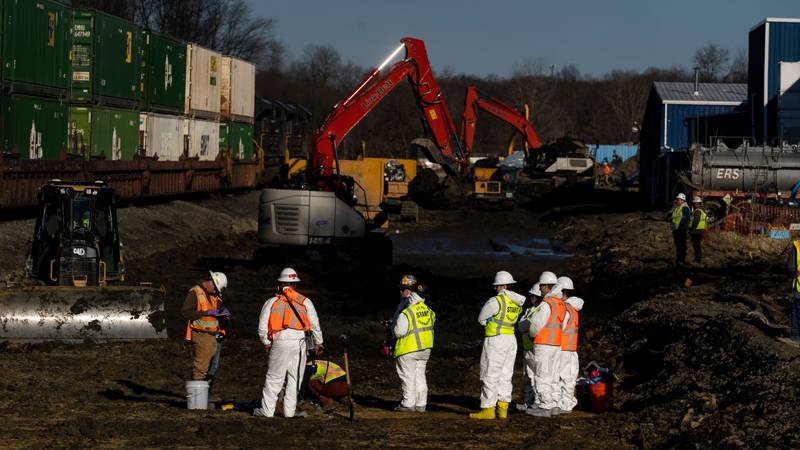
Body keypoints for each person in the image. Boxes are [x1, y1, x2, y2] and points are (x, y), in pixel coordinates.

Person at [254, 268, 324, 418]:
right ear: (295, 285)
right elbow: (314, 324)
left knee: (274, 378)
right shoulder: (306, 301)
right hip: (300, 342)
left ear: (280, 284)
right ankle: (289, 412)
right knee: (295, 378)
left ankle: (267, 411)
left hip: (280, 340)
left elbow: (262, 326)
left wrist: (266, 342)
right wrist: (319, 342)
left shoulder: (272, 302)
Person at [470, 271, 525, 420]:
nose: (495, 289)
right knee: (506, 375)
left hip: (495, 340)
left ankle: (488, 409)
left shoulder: (495, 301)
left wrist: (488, 323)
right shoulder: (516, 302)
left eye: (497, 286)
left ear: (503, 286)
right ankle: (503, 408)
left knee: (490, 374)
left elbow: (481, 318)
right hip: (511, 339)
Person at [521, 271, 566, 417]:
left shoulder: (547, 304)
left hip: (544, 344)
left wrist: (531, 335)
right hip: (556, 344)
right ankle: (552, 405)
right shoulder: (560, 304)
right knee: (552, 375)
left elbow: (535, 325)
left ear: (547, 286)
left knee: (542, 375)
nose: (539, 289)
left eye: (541, 286)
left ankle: (545, 406)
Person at [392, 276, 435, 412]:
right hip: (425, 348)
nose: (401, 292)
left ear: (411, 292)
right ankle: (421, 404)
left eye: (403, 289)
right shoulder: (429, 311)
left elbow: (398, 332)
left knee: (408, 377)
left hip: (408, 349)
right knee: (420, 376)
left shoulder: (407, 312)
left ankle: (408, 404)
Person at [181, 272, 231, 385]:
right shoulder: (196, 293)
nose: (216, 292)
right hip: (201, 334)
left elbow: (222, 311)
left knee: (208, 367)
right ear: (212, 283)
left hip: (213, 335)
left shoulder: (214, 295)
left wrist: (224, 320)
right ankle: (197, 397)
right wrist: (206, 313)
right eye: (216, 289)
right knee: (201, 368)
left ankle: (202, 394)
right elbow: (185, 312)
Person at [516, 282, 542, 412]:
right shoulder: (528, 310)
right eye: (531, 295)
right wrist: (525, 325)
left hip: (536, 347)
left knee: (537, 376)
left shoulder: (541, 310)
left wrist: (525, 325)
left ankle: (537, 402)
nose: (531, 298)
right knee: (527, 376)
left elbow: (526, 326)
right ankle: (528, 402)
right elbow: (521, 326)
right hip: (527, 348)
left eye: (534, 295)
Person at [556, 296, 584, 414]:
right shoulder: (574, 310)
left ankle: (564, 405)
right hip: (572, 349)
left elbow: (559, 329)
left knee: (563, 378)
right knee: (571, 379)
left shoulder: (566, 309)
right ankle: (568, 403)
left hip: (563, 349)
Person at [670, 193, 691, 266]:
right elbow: (674, 218)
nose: (677, 201)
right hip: (676, 230)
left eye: (678, 199)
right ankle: (679, 260)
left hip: (681, 230)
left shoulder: (684, 207)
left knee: (681, 246)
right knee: (678, 246)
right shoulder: (677, 208)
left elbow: (687, 218)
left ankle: (681, 260)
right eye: (677, 199)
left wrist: (680, 227)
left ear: (682, 200)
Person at [786, 236, 800, 342]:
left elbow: (790, 267)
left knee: (796, 311)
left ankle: (795, 336)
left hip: (799, 288)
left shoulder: (797, 246)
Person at [689, 196, 707, 264]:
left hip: (696, 231)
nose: (693, 205)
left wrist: (692, 231)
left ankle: (697, 259)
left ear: (698, 204)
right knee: (698, 245)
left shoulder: (697, 211)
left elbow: (696, 221)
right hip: (700, 231)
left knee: (696, 246)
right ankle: (698, 258)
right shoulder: (702, 211)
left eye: (694, 203)